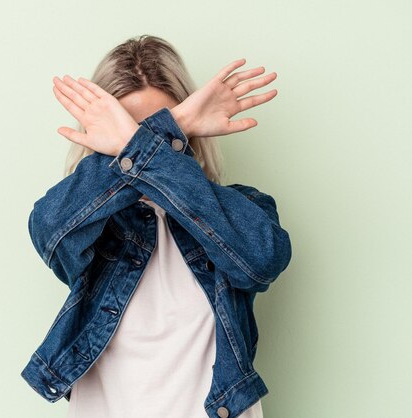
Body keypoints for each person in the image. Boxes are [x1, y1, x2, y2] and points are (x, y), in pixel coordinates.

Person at [21, 35, 292, 418]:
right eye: (126, 134)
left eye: (162, 132)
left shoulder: (241, 209)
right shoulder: (90, 227)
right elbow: (47, 229)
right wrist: (174, 124)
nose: (141, 148)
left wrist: (141, 141)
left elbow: (261, 259)